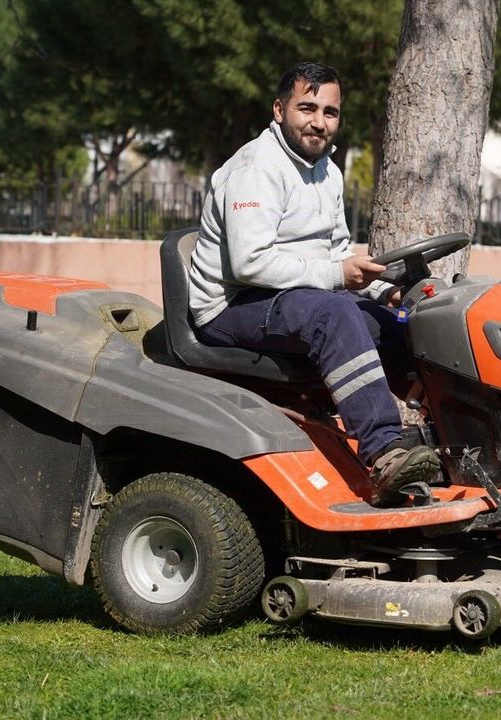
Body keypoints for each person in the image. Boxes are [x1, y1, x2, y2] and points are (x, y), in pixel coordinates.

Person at [188, 62, 440, 507]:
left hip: (291, 296)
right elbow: (249, 264)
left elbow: (336, 251)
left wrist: (384, 291)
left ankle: (445, 438)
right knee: (335, 314)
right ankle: (385, 451)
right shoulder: (256, 167)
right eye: (307, 108)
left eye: (330, 112)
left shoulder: (327, 171)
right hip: (232, 304)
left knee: (394, 324)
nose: (319, 122)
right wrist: (337, 276)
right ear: (279, 110)